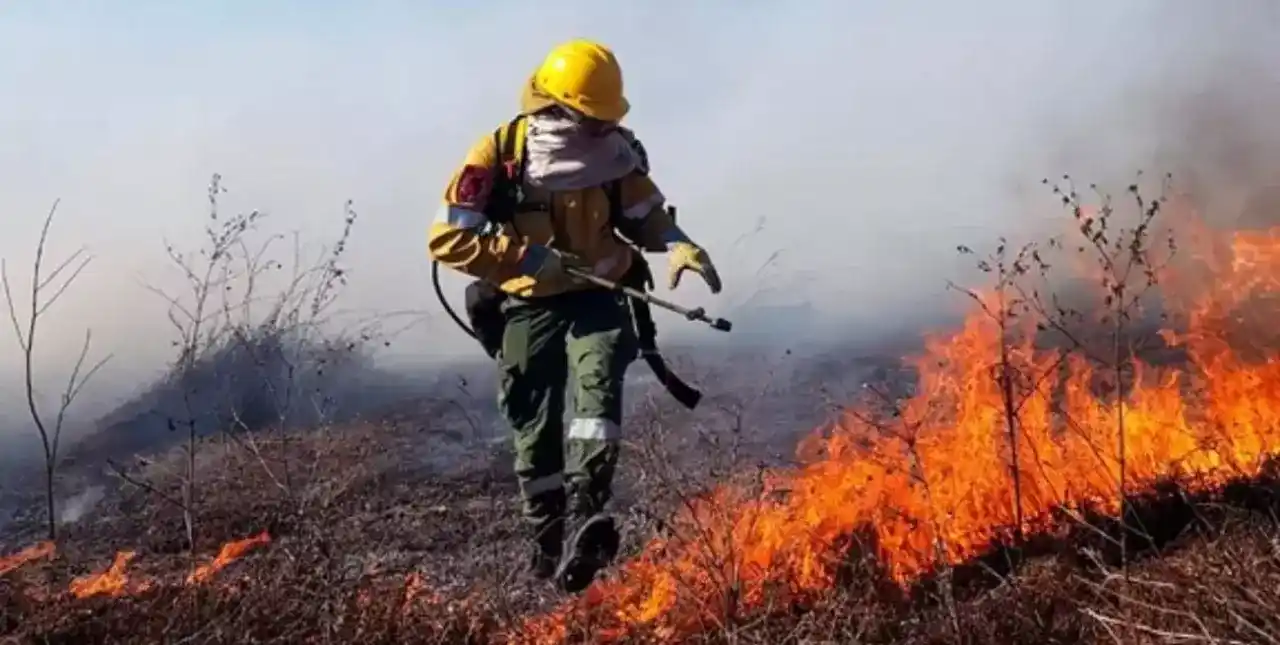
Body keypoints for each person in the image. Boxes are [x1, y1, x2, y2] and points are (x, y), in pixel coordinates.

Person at [427, 38, 722, 593]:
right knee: (530, 415)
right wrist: (524, 257)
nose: (599, 130)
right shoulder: (501, 152)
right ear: (559, 106)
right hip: (527, 298)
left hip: (600, 290)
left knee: (597, 384)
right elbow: (446, 238)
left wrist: (678, 242)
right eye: (591, 119)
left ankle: (589, 510)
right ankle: (545, 534)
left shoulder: (615, 153)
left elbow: (645, 213)